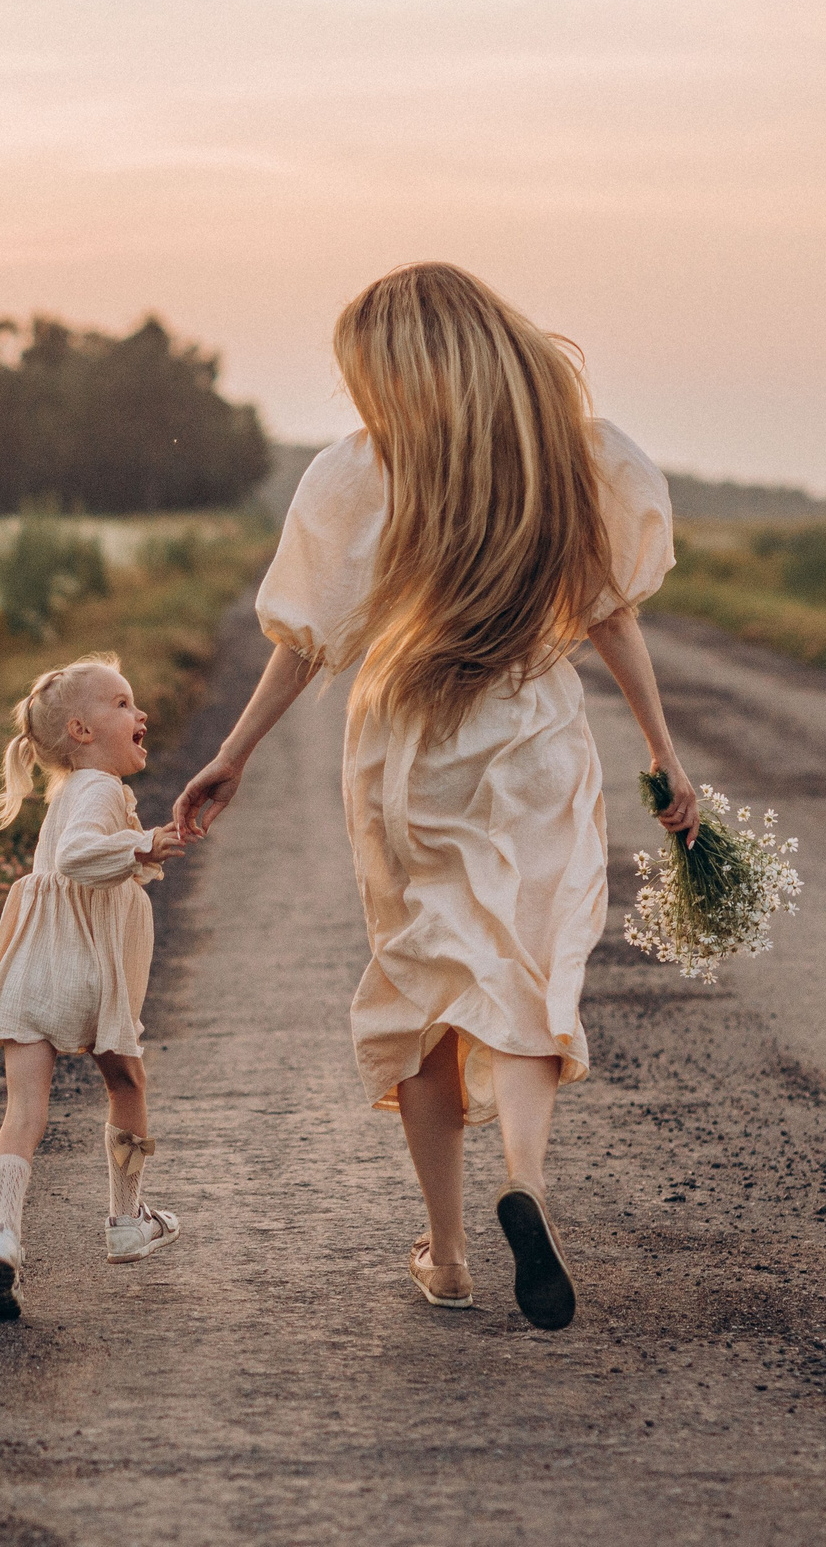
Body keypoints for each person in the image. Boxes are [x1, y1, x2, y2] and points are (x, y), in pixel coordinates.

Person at [171, 262, 699, 1331]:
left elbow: (302, 638)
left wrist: (232, 754)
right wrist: (663, 754)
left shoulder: (359, 472)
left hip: (411, 747)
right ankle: (527, 1178)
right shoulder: (577, 459)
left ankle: (451, 1254)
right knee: (525, 967)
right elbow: (610, 620)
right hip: (538, 733)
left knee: (422, 981)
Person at [0, 652, 193, 1319]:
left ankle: (1, 1236)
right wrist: (141, 846)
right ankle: (124, 1219)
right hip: (85, 971)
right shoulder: (99, 791)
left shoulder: (69, 793)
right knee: (127, 1083)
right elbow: (84, 858)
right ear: (81, 732)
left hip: (34, 969)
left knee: (23, 1111)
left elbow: (71, 861)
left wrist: (139, 848)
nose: (138, 714)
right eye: (120, 704)